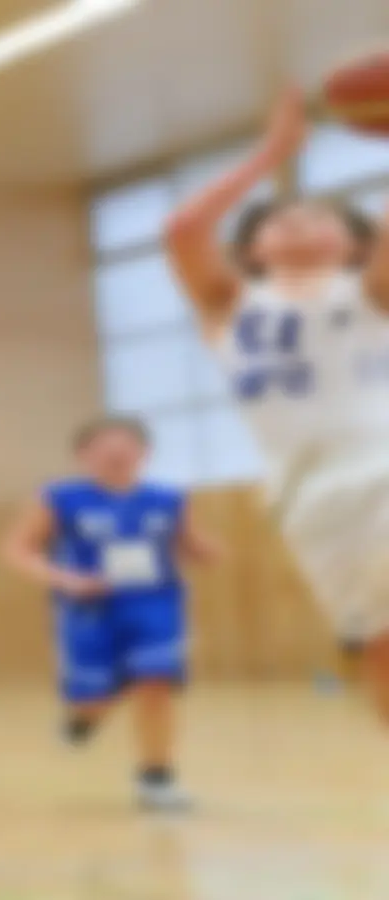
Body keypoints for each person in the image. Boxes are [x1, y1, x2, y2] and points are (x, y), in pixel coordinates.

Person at [163, 88, 389, 723]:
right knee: (376, 644)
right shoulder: (228, 306)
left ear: (354, 246)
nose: (297, 222)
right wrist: (271, 154)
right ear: (251, 251)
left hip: (383, 470)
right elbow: (183, 230)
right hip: (308, 498)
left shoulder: (371, 291)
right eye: (277, 220)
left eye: (320, 217)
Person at [1, 417, 221, 812]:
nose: (117, 454)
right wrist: (65, 579)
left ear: (144, 453)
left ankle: (157, 779)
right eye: (105, 448)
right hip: (90, 607)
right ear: (83, 455)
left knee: (155, 681)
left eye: (126, 447)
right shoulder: (59, 498)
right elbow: (18, 550)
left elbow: (189, 546)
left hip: (155, 604)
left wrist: (207, 552)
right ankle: (83, 718)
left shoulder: (168, 498)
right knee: (99, 693)